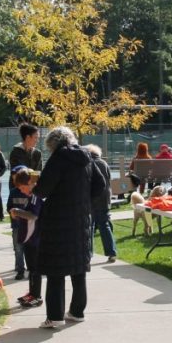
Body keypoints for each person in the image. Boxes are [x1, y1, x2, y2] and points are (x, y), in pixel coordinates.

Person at [34, 126, 105, 329]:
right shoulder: (87, 157)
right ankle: (77, 311)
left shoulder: (57, 159)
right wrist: (84, 202)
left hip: (58, 220)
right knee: (78, 268)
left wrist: (35, 186)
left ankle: (55, 316)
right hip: (80, 219)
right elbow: (100, 185)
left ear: (53, 144)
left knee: (56, 270)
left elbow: (43, 189)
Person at [9, 167, 43, 299]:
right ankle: (32, 292)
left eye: (22, 188)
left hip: (35, 238)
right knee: (31, 269)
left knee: (35, 269)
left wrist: (17, 212)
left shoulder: (36, 196)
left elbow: (33, 215)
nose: (21, 191)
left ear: (29, 183)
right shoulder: (31, 195)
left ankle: (36, 295)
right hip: (29, 239)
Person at [85, 144, 117, 263]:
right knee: (105, 225)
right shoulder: (104, 163)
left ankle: (89, 253)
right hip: (104, 199)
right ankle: (112, 252)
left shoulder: (88, 163)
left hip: (92, 199)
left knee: (90, 226)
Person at [8, 123, 43, 190]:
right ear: (27, 137)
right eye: (35, 137)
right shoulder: (15, 152)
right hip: (17, 190)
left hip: (32, 190)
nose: (37, 141)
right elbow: (16, 174)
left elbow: (38, 173)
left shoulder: (37, 153)